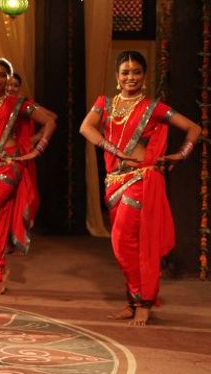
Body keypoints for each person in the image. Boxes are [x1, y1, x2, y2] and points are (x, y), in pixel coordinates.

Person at [79, 50, 200, 326]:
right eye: (125, 72)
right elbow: (86, 128)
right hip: (114, 181)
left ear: (144, 76)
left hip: (140, 179)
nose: (131, 77)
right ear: (117, 76)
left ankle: (144, 302)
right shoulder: (104, 104)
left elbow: (194, 129)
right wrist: (113, 150)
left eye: (136, 72)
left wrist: (181, 155)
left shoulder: (153, 108)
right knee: (125, 246)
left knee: (126, 242)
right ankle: (133, 301)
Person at [0, 58, 56, 294]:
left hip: (7, 165)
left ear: (8, 78)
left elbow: (49, 121)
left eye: (3, 75)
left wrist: (37, 150)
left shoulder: (18, 104)